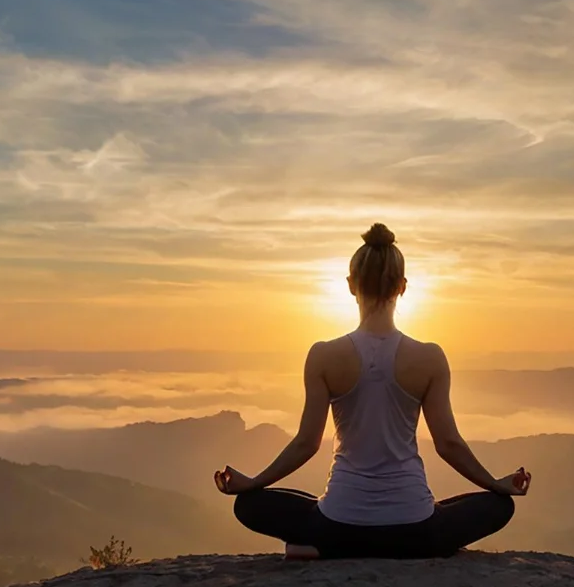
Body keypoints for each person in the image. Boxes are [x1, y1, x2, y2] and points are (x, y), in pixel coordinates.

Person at [213, 222, 530, 559]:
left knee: (250, 505)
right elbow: (448, 444)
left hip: (338, 525)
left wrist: (253, 482)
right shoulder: (429, 357)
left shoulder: (323, 355)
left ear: (351, 286)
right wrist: (496, 484)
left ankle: (320, 548)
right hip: (416, 530)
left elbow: (306, 443)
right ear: (403, 287)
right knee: (498, 506)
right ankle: (418, 545)